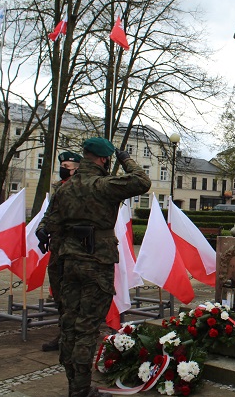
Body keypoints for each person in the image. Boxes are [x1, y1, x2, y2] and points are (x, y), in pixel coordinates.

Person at [39, 137, 151, 397]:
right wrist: (125, 157)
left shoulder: (64, 189)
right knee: (87, 328)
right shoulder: (104, 186)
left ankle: (73, 386)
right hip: (97, 263)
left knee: (69, 326)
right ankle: (80, 391)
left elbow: (50, 224)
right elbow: (141, 181)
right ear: (103, 159)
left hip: (69, 263)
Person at [38, 150, 82, 352]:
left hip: (74, 249)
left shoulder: (82, 189)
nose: (62, 171)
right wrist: (41, 228)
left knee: (72, 295)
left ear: (77, 169)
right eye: (62, 167)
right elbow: (50, 213)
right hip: (57, 247)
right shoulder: (59, 188)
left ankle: (72, 336)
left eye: (66, 168)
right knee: (58, 293)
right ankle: (64, 333)